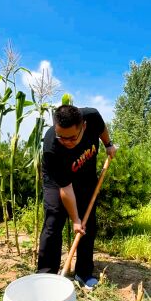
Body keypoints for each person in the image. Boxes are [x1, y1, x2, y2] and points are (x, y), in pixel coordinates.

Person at [38, 105, 116, 290]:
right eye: (61, 137)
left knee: (87, 224)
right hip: (57, 182)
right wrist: (75, 220)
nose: (66, 142)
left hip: (86, 177)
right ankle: (46, 276)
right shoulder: (52, 146)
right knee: (53, 220)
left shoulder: (92, 116)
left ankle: (83, 274)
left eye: (72, 137)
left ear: (84, 126)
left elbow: (102, 129)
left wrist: (108, 144)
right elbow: (65, 189)